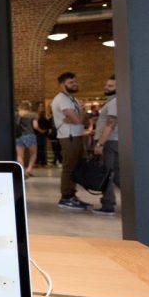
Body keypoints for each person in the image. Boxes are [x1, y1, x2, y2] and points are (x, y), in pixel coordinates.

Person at [51, 72, 90, 211]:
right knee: (69, 167)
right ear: (62, 85)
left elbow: (82, 120)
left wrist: (80, 114)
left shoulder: (72, 99)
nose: (75, 84)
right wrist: (81, 114)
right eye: (71, 83)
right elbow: (79, 120)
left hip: (76, 135)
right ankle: (66, 197)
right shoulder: (62, 99)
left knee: (76, 166)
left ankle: (72, 195)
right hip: (69, 137)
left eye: (75, 82)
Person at [93, 75, 119, 216]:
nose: (106, 88)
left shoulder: (114, 102)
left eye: (110, 86)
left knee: (106, 174)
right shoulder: (113, 102)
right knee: (118, 175)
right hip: (114, 141)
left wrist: (100, 143)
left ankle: (108, 204)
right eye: (106, 85)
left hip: (109, 142)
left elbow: (111, 124)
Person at [15, 101, 38, 177]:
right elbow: (35, 126)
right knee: (33, 154)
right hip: (29, 135)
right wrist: (41, 130)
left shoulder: (16, 114)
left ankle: (22, 172)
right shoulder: (33, 115)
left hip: (18, 136)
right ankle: (29, 169)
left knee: (20, 156)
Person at [35, 102, 51, 166]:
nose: (42, 108)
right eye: (40, 106)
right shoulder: (36, 115)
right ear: (37, 108)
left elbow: (47, 124)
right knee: (39, 148)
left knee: (42, 148)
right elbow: (35, 126)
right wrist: (41, 130)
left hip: (42, 135)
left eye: (42, 106)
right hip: (38, 135)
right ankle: (40, 162)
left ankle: (42, 162)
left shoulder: (43, 115)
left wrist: (48, 129)